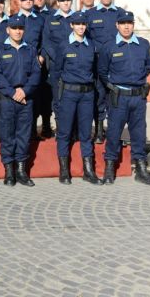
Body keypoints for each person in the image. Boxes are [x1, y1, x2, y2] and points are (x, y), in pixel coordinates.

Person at [99, 10, 150, 186]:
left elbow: (148, 66)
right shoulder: (109, 46)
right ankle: (109, 167)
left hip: (138, 98)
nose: (126, 26)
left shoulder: (143, 44)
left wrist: (136, 82)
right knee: (114, 132)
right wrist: (115, 86)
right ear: (117, 25)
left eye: (129, 23)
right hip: (119, 98)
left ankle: (140, 169)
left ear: (133, 25)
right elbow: (102, 71)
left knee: (139, 134)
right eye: (123, 23)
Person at [52, 11, 103, 185]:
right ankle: (64, 170)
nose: (81, 27)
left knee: (85, 133)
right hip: (68, 94)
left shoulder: (91, 46)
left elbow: (95, 72)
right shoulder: (64, 45)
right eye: (77, 24)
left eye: (83, 24)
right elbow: (56, 72)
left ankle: (88, 171)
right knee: (65, 132)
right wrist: (57, 98)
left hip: (87, 95)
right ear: (71, 25)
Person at [0, 14, 41, 187]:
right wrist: (13, 93)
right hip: (8, 99)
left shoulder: (30, 49)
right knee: (7, 135)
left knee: (23, 135)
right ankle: (9, 172)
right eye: (14, 28)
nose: (17, 31)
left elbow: (36, 74)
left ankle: (21, 171)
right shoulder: (0, 50)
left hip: (26, 99)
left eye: (20, 28)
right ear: (8, 30)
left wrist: (24, 91)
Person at [86, 0, 123, 144]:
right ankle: (99, 131)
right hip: (97, 63)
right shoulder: (91, 14)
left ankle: (114, 132)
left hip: (116, 64)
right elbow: (86, 38)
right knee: (99, 96)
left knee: (116, 99)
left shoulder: (121, 14)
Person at [16, 0, 48, 138]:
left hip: (35, 64)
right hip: (18, 64)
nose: (28, 1)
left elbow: (45, 41)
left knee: (35, 98)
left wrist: (41, 57)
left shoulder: (40, 20)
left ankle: (34, 130)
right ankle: (20, 131)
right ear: (20, 1)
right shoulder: (13, 19)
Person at [42, 0, 74, 121]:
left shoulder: (77, 18)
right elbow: (47, 41)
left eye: (68, 0)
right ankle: (61, 128)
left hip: (74, 65)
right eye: (62, 0)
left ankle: (74, 130)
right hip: (56, 66)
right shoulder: (51, 19)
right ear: (58, 2)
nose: (65, 3)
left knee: (72, 98)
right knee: (58, 98)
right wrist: (59, 59)